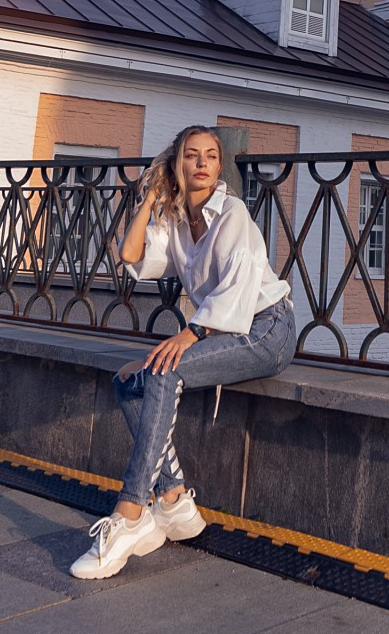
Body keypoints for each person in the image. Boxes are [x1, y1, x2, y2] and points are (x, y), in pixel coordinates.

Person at [70, 124, 295, 579]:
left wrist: (189, 335)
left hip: (268, 329)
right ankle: (173, 501)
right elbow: (131, 255)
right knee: (130, 379)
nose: (203, 163)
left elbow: (240, 282)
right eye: (192, 155)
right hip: (220, 331)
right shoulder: (175, 222)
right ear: (177, 163)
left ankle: (131, 513)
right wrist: (152, 197)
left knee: (162, 370)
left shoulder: (231, 213)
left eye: (211, 155)